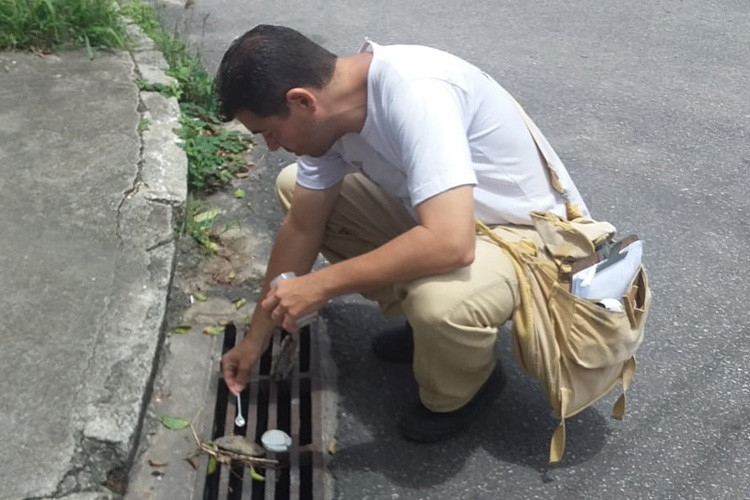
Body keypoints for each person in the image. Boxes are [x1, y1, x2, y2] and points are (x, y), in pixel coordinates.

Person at [215, 24, 590, 442]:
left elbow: (451, 243)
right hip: (451, 219)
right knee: (294, 187)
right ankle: (433, 336)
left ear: (302, 102)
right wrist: (255, 339)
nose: (270, 145)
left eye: (269, 131)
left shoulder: (417, 92)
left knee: (441, 303)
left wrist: (320, 285)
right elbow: (303, 226)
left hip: (528, 240)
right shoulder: (331, 118)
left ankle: (464, 388)